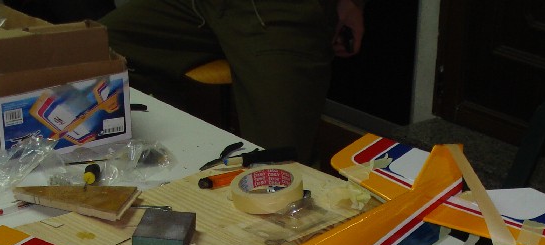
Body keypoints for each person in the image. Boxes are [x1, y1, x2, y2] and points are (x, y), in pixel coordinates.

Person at [100, 0, 366, 164]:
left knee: (275, 162)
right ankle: (170, 164)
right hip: (199, 5)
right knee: (98, 49)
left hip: (279, 12)